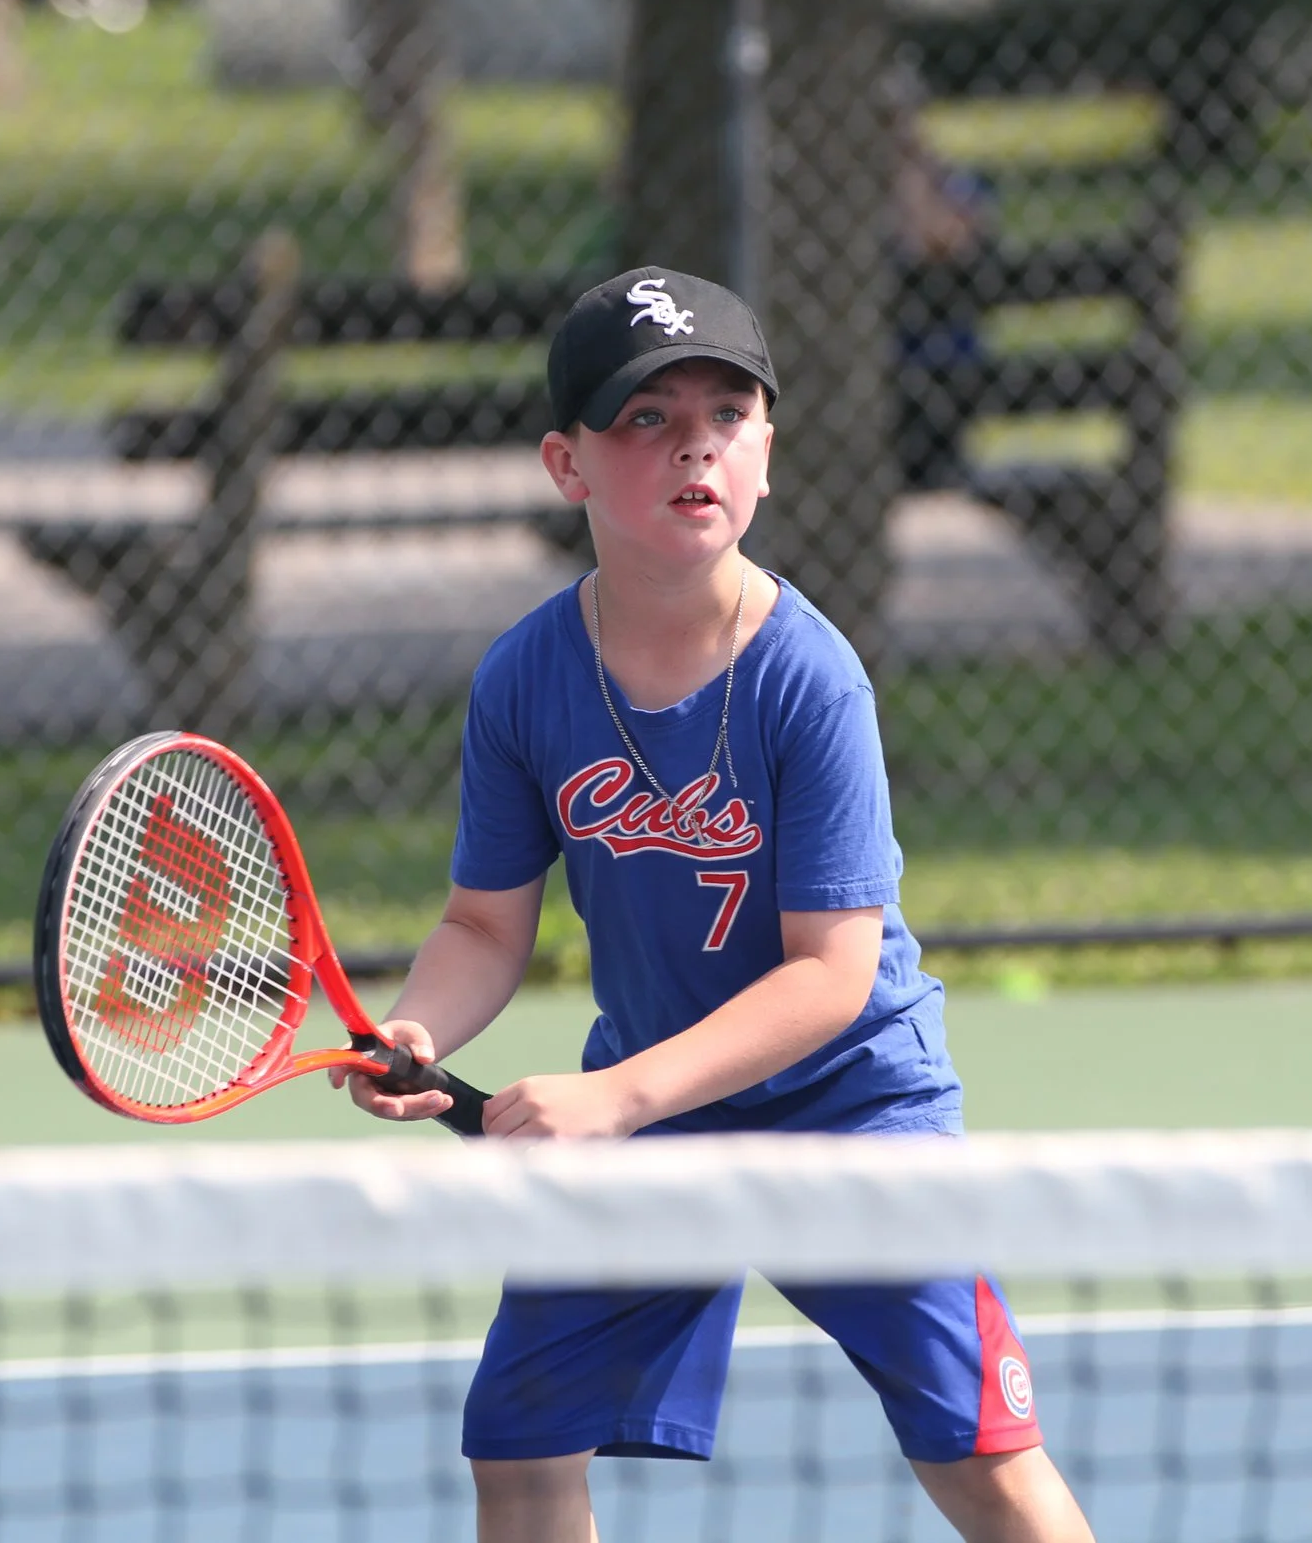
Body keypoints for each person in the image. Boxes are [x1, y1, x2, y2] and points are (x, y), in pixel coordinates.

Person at [336, 266, 1095, 1543]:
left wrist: (611, 1098)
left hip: (855, 1111)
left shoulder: (813, 679)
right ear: (565, 463)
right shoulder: (525, 677)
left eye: (726, 411)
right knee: (518, 1449)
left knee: (984, 1458)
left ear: (765, 455)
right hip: (646, 1110)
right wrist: (419, 1030)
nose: (693, 439)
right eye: (644, 415)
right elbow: (482, 925)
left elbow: (830, 974)